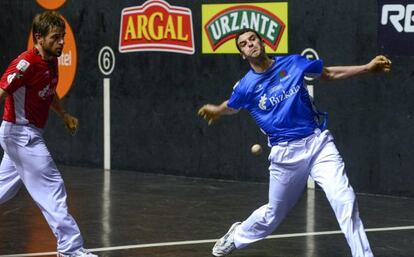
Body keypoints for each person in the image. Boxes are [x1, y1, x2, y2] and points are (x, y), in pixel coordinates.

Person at [198, 28, 391, 257]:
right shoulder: (246, 87)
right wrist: (218, 111)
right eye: (244, 44)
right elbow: (232, 105)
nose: (250, 44)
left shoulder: (293, 62)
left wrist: (367, 68)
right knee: (273, 215)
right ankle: (237, 235)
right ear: (243, 54)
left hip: (318, 145)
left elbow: (328, 74)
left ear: (262, 42)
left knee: (344, 199)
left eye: (253, 39)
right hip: (285, 156)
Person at [0, 11, 97, 257]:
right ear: (39, 38)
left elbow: (49, 90)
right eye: (55, 37)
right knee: (52, 187)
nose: (62, 42)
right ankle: (70, 248)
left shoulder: (51, 60)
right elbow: (2, 90)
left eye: (63, 37)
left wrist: (63, 114)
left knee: (3, 189)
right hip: (21, 135)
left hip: (24, 134)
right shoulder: (25, 63)